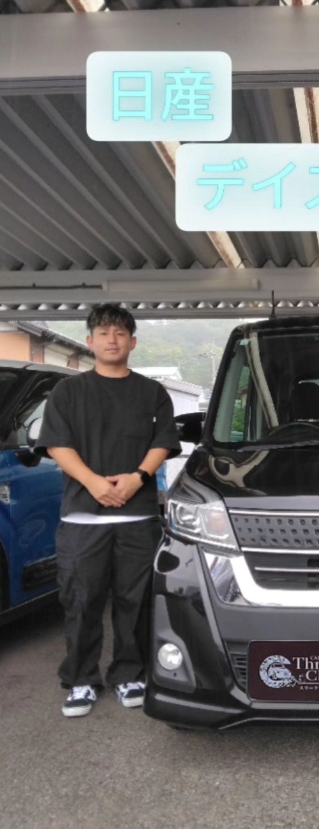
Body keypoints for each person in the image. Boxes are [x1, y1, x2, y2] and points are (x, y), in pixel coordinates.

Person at [35, 304, 182, 718]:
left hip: (138, 519)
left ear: (132, 342)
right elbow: (57, 445)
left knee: (135, 602)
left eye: (120, 333)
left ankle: (129, 673)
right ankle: (80, 679)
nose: (112, 339)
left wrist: (138, 477)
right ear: (90, 342)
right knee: (81, 601)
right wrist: (94, 482)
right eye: (103, 333)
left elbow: (163, 441)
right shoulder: (68, 392)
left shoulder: (152, 392)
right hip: (82, 519)